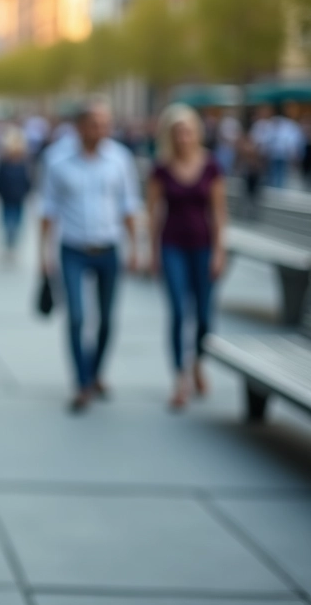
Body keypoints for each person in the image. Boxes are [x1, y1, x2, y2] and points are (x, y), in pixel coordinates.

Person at [40, 98, 142, 413]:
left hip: (108, 248)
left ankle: (96, 372)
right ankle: (82, 382)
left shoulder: (120, 159)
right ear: (80, 126)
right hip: (72, 248)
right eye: (95, 123)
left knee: (107, 319)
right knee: (76, 317)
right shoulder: (57, 160)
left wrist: (135, 247)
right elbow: (47, 209)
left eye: (105, 123)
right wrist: (42, 254)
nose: (101, 129)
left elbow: (128, 205)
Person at [147, 104, 227, 410]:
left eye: (188, 131)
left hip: (204, 246)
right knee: (179, 312)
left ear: (197, 133)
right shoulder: (161, 168)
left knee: (205, 315)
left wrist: (219, 252)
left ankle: (198, 363)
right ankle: (180, 376)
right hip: (172, 246)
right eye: (178, 132)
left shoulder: (211, 166)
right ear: (170, 135)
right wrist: (151, 253)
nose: (183, 138)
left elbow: (219, 213)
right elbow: (153, 212)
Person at [0, 125, 31, 261]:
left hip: (18, 198)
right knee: (7, 223)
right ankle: (8, 246)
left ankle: (13, 246)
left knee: (17, 223)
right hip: (7, 198)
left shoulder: (23, 163)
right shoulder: (4, 163)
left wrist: (25, 192)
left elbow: (28, 181)